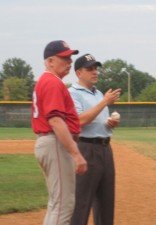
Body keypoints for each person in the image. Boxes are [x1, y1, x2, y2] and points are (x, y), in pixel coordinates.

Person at [31, 40, 88, 225]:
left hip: (50, 143)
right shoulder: (52, 82)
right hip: (55, 142)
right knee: (63, 204)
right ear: (49, 61)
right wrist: (76, 154)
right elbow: (55, 121)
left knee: (57, 203)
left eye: (70, 57)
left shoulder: (48, 81)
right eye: (64, 58)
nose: (69, 61)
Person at [69, 54, 121, 225]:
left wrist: (110, 124)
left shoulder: (98, 93)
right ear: (78, 73)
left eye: (96, 68)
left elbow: (99, 122)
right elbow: (79, 121)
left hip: (105, 149)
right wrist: (105, 102)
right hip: (86, 148)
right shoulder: (73, 93)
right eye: (89, 69)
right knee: (82, 201)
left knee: (106, 201)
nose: (95, 72)